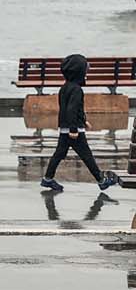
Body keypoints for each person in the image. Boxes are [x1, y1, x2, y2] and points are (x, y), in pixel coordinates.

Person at [40, 54, 121, 193]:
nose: (86, 74)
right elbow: (72, 109)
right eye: (85, 71)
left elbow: (69, 109)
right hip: (73, 130)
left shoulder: (65, 88)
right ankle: (101, 181)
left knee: (59, 154)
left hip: (65, 128)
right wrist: (74, 128)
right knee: (86, 155)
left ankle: (47, 179)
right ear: (79, 73)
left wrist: (84, 121)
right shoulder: (77, 90)